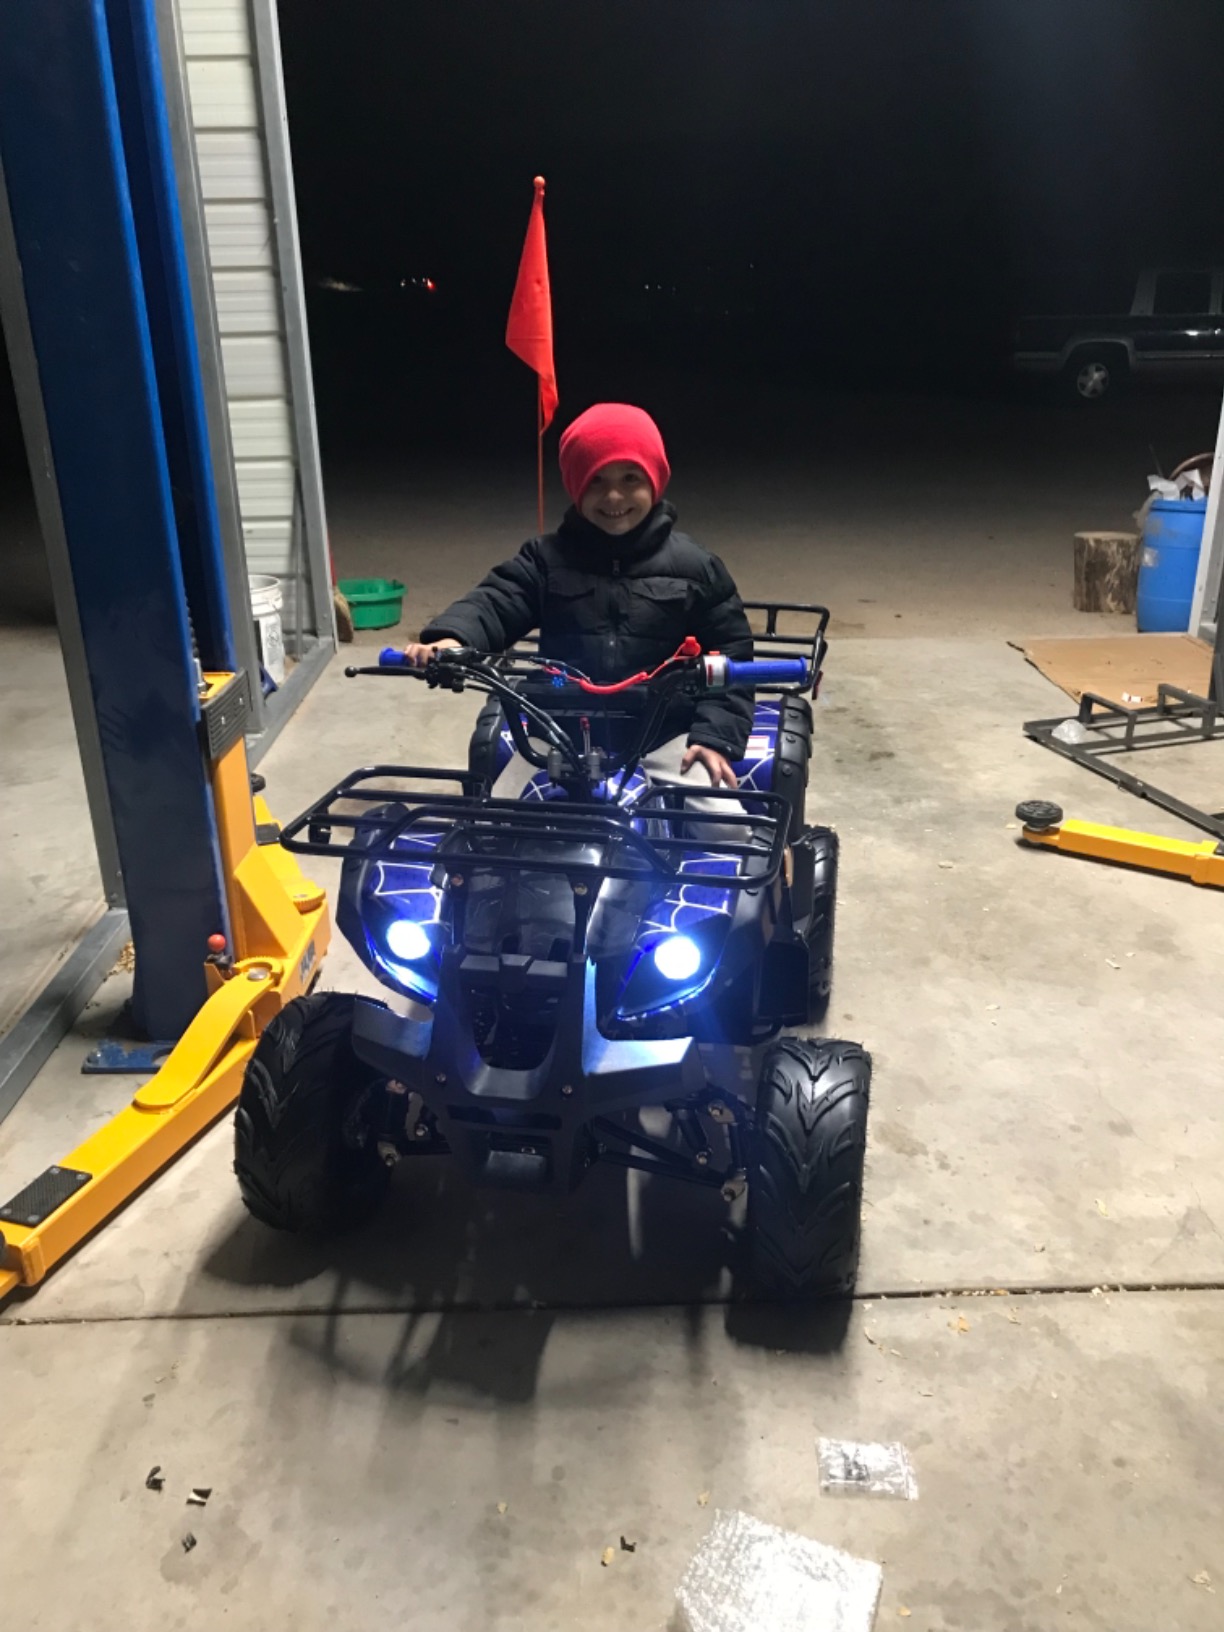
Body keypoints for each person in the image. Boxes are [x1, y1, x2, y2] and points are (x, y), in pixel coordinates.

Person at [405, 402, 754, 808]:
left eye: (630, 478)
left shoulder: (696, 568)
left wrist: (713, 736)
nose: (614, 496)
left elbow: (732, 654)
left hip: (665, 733)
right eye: (596, 481)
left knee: (724, 825)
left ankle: (755, 843)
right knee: (495, 817)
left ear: (656, 480)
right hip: (557, 730)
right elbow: (496, 601)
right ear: (575, 485)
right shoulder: (545, 560)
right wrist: (452, 638)